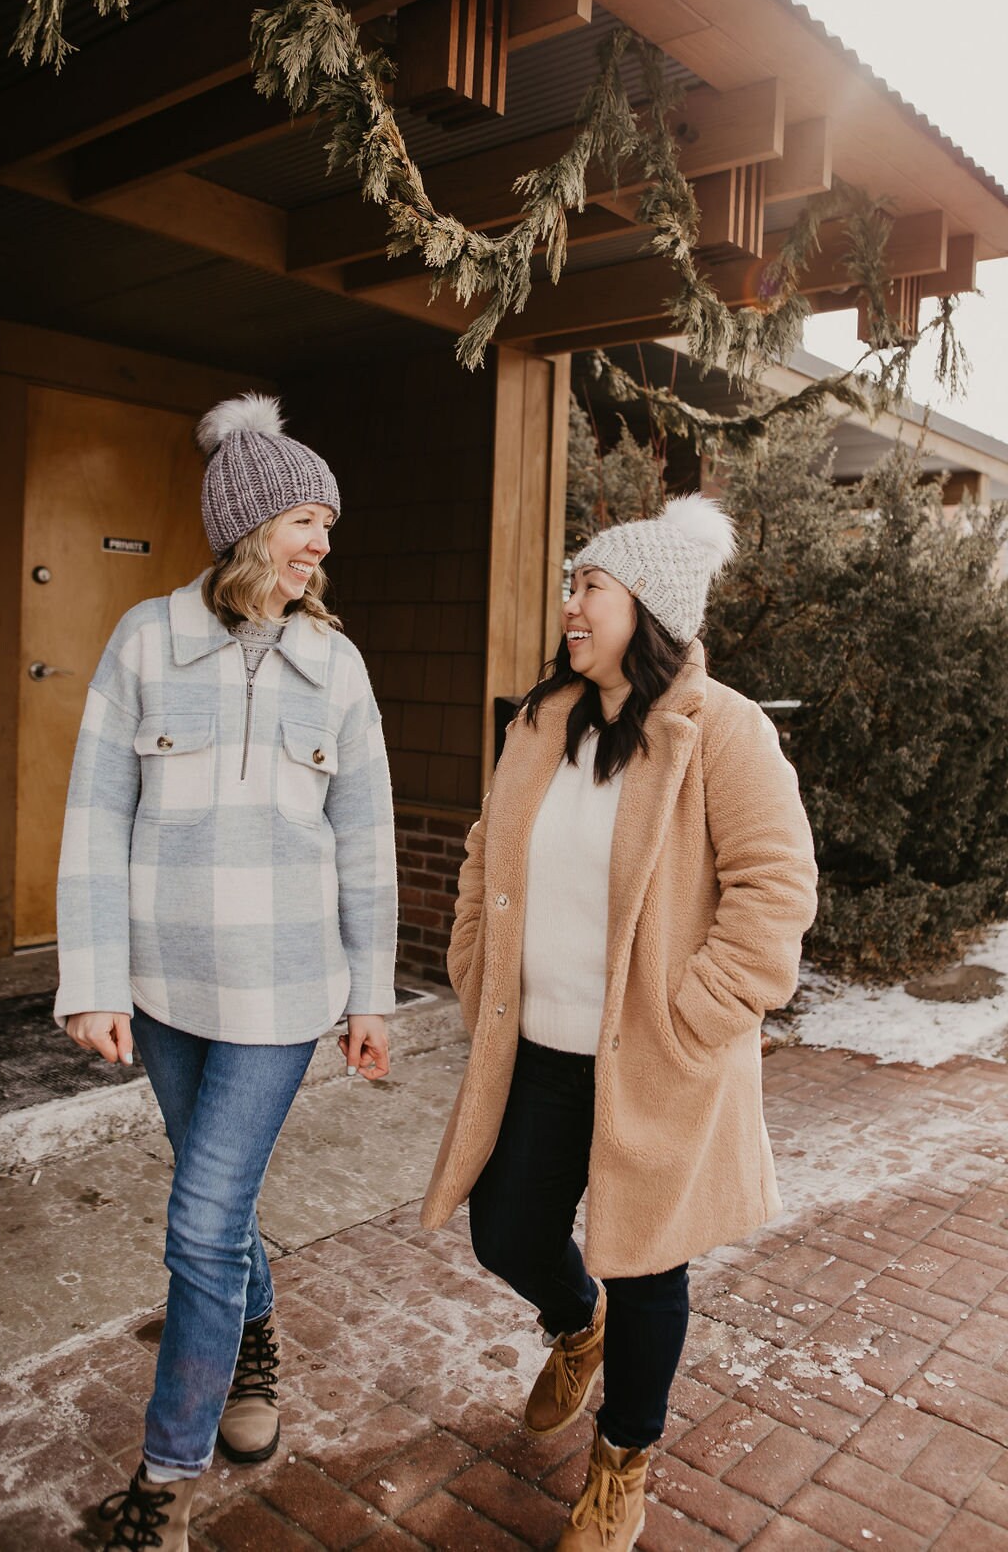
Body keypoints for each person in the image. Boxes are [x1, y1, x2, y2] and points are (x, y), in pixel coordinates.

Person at [421, 494, 817, 1551]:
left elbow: (775, 890)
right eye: (572, 585)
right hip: (540, 1044)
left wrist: (694, 1014)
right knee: (505, 1229)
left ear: (646, 607)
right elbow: (480, 853)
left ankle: (622, 1459)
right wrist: (473, 964)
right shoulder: (542, 721)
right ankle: (572, 1319)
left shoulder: (721, 731)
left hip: (654, 1054)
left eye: (589, 585)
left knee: (646, 1261)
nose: (571, 604)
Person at [54, 394, 397, 1551]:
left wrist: (371, 994)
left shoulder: (335, 665)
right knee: (224, 1203)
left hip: (278, 998)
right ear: (250, 524)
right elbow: (96, 816)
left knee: (199, 1224)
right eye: (308, 519)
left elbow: (367, 841)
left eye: (328, 528)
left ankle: (164, 1478)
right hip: (161, 992)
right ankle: (251, 1347)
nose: (322, 544)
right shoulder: (145, 640)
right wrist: (95, 979)